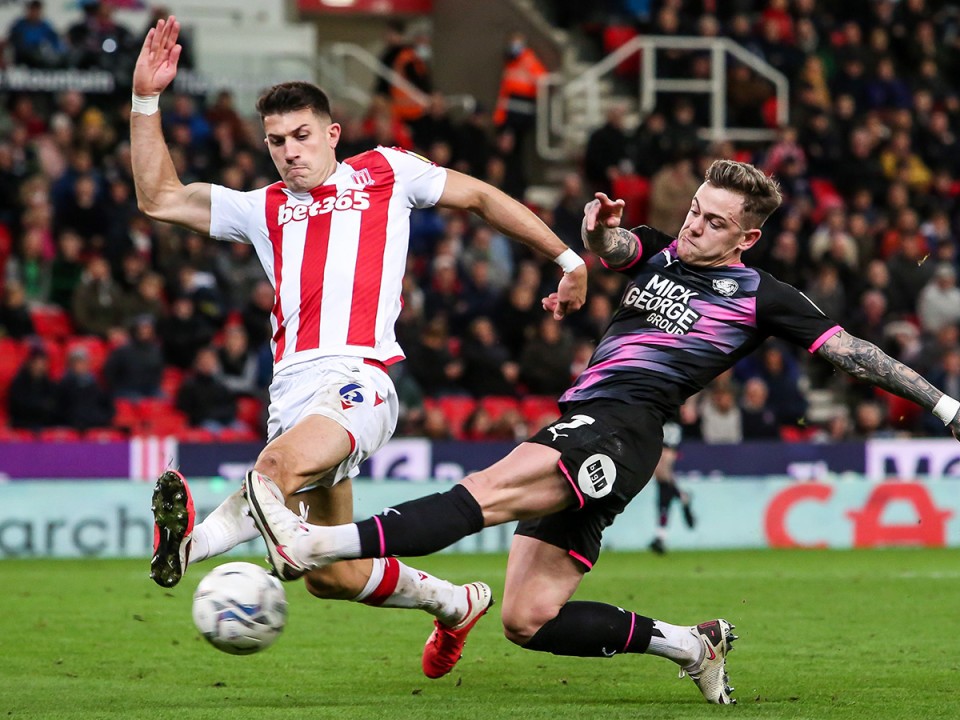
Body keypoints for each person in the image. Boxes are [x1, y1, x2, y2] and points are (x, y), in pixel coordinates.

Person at [243, 159, 960, 705]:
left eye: (714, 222)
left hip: (621, 429)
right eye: (694, 211)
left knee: (485, 493)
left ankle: (315, 543)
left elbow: (856, 354)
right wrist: (593, 228)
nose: (694, 225)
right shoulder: (660, 250)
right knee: (527, 619)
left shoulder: (763, 297)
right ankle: (691, 645)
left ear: (749, 235)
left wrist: (946, 408)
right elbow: (614, 245)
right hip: (589, 426)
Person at [132, 16, 586, 680]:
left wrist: (567, 258)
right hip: (291, 393)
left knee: (275, 471)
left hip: (359, 380)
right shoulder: (260, 208)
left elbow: (483, 197)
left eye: (301, 137)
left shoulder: (385, 173)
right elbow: (159, 197)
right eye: (276, 142)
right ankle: (456, 603)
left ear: (332, 134)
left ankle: (192, 548)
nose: (289, 152)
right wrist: (146, 99)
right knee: (332, 576)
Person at [647, 417, 695, 556]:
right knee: (663, 487)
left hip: (666, 431)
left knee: (663, 486)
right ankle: (682, 496)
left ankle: (660, 536)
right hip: (662, 427)